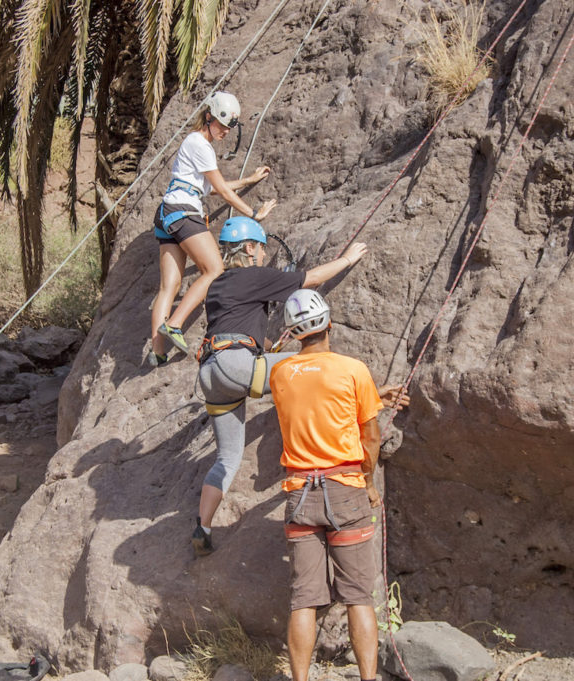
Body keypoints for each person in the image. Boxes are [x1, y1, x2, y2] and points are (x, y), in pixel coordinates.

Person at [192, 216, 369, 555]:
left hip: (211, 373)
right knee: (312, 367)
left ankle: (203, 527)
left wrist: (264, 344)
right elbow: (310, 280)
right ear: (248, 247)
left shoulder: (218, 284)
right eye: (260, 249)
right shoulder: (253, 275)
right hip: (236, 365)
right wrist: (348, 259)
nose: (262, 255)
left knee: (227, 458)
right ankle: (329, 446)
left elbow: (235, 323)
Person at [268, 289, 408, 681]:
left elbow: (311, 399)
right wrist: (369, 483)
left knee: (304, 599)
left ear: (295, 333)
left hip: (299, 494)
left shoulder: (281, 374)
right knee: (358, 596)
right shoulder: (353, 370)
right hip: (345, 488)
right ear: (328, 323)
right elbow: (370, 438)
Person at [151, 90, 277, 365]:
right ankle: (174, 325)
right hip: (184, 212)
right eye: (222, 125)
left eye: (230, 127)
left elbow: (213, 188)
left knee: (169, 285)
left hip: (169, 212)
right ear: (208, 117)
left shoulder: (195, 145)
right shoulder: (199, 143)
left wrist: (248, 180)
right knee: (215, 269)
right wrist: (253, 213)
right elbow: (219, 187)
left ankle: (157, 351)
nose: (226, 132)